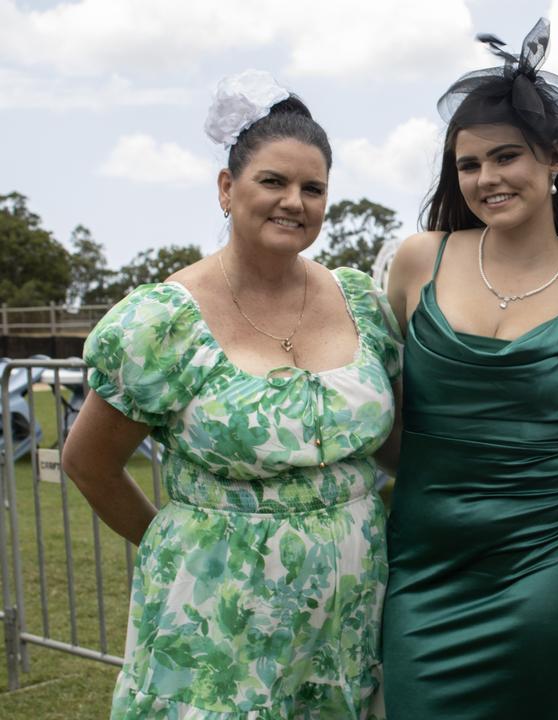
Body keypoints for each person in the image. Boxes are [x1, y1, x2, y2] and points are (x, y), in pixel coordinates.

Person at [62, 70, 402, 718]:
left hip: (351, 611)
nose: (293, 201)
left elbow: (395, 447)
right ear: (227, 188)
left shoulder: (361, 302)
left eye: (313, 188)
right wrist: (176, 541)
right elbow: (87, 462)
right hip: (215, 614)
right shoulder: (163, 321)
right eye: (272, 181)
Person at [379, 19, 558, 719]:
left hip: (544, 570)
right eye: (467, 164)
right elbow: (379, 416)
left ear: (553, 159)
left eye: (505, 157)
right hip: (423, 569)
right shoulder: (417, 261)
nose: (485, 178)